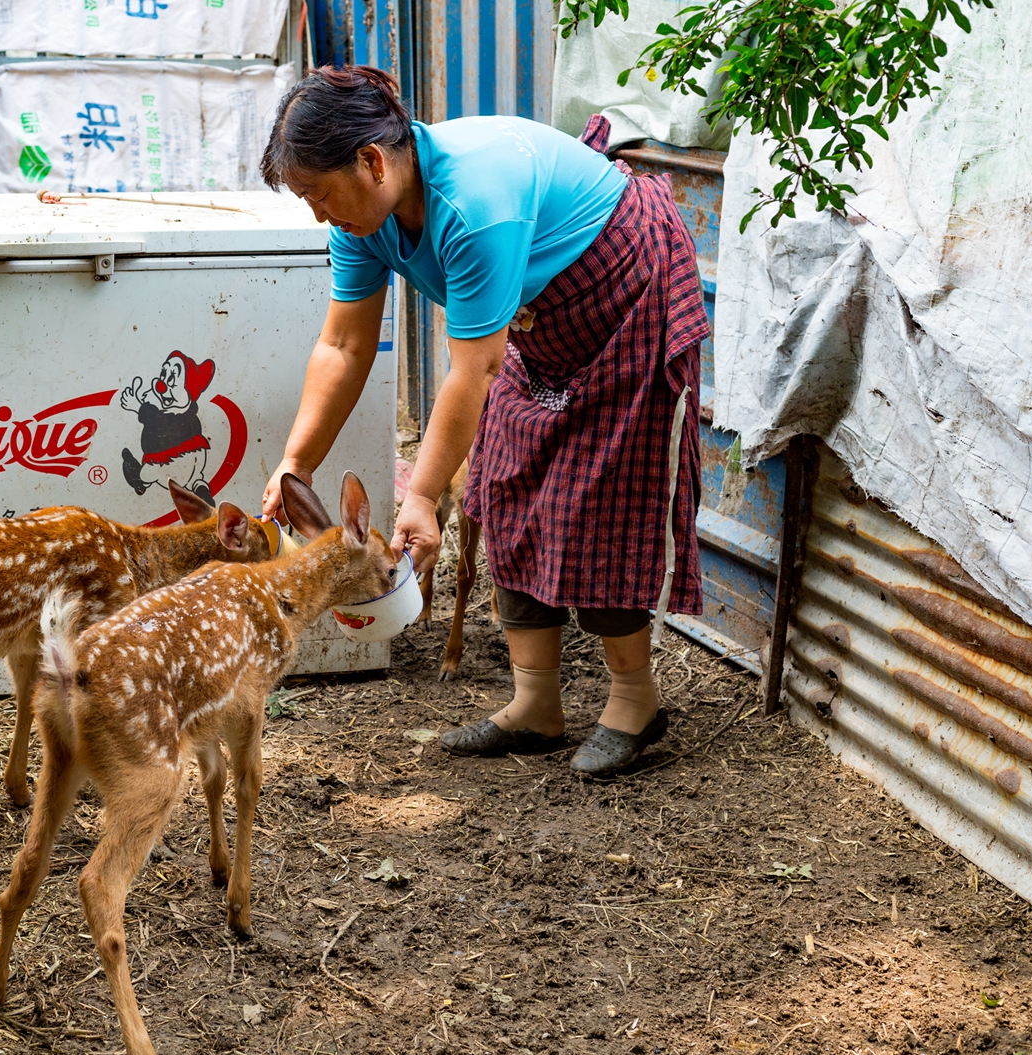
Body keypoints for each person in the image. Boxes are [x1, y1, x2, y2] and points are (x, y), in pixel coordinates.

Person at [258, 66, 707, 776]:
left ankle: (634, 701)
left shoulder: (472, 207)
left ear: (371, 162)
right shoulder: (363, 220)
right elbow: (343, 345)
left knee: (605, 500)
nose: (319, 214)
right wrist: (296, 463)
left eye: (319, 194)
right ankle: (536, 704)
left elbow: (474, 371)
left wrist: (421, 495)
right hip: (538, 317)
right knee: (504, 482)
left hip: (626, 288)